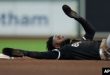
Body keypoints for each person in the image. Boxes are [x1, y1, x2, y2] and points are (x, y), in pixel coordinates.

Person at [2, 5, 110, 60]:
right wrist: (23, 52)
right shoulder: (62, 51)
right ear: (56, 46)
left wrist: (78, 18)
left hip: (106, 44)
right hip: (105, 51)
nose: (58, 35)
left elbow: (91, 32)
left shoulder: (78, 42)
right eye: (56, 38)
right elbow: (41, 54)